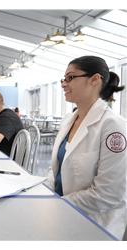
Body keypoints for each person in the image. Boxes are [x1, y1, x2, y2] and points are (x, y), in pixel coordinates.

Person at [48, 55, 127, 239]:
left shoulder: (113, 127)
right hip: (61, 213)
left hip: (93, 224)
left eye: (71, 78)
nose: (64, 84)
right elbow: (56, 172)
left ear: (95, 80)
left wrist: (57, 205)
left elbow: (108, 195)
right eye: (64, 79)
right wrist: (37, 191)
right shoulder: (69, 120)